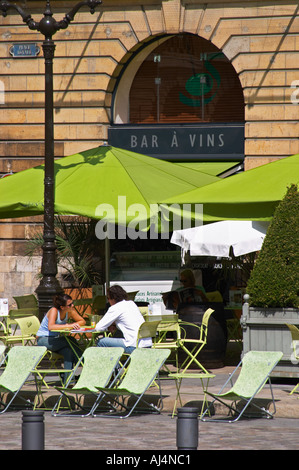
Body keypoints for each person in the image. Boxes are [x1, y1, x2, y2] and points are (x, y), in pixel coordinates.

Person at [36, 293, 86, 381]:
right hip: (43, 339)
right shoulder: (54, 311)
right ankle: (84, 363)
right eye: (70, 305)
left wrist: (74, 324)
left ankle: (68, 380)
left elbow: (82, 321)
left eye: (72, 303)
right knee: (70, 340)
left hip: (56, 340)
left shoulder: (69, 311)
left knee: (68, 351)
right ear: (62, 307)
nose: (72, 305)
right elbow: (51, 327)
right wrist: (69, 325)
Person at [95, 285, 152, 353]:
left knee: (100, 341)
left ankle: (113, 363)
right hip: (147, 344)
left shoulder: (115, 308)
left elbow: (98, 327)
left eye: (108, 298)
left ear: (113, 298)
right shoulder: (131, 304)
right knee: (117, 335)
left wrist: (107, 328)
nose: (108, 301)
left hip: (133, 346)